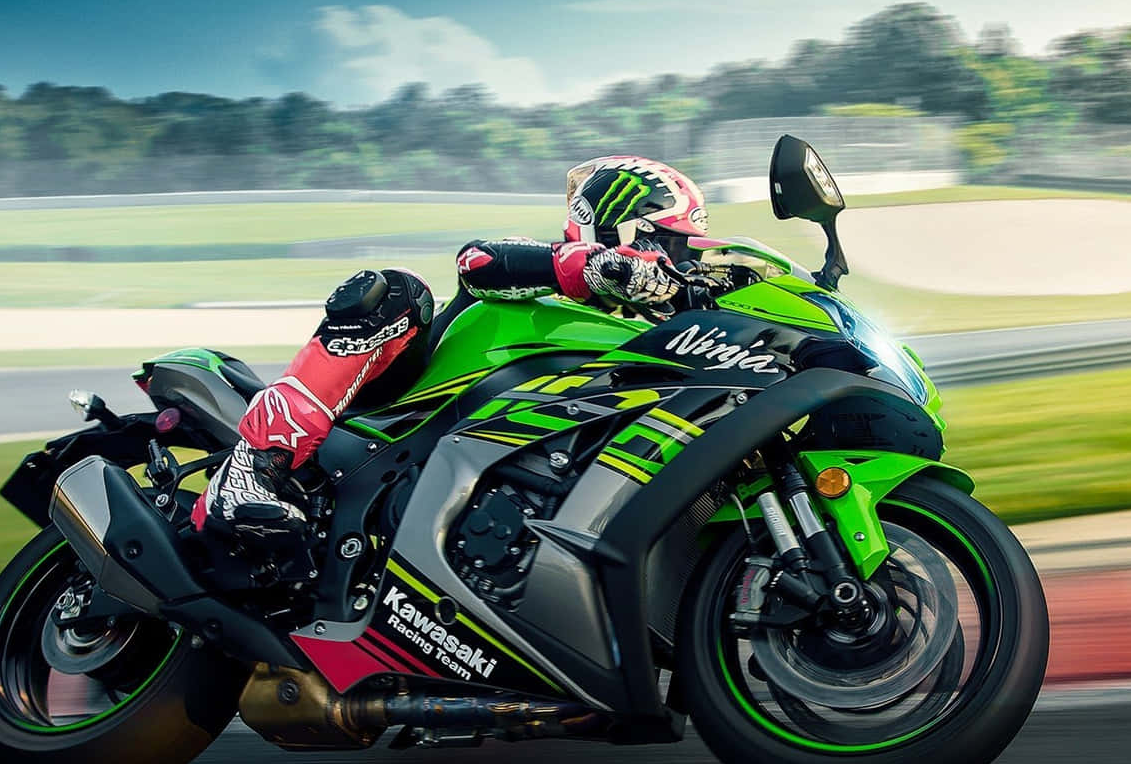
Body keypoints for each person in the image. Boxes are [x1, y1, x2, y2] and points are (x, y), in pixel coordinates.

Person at [198, 155, 731, 539]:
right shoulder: (547, 272)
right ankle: (252, 470)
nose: (683, 261)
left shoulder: (650, 333)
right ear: (624, 229)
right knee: (397, 289)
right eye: (673, 242)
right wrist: (593, 268)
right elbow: (476, 260)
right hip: (397, 418)